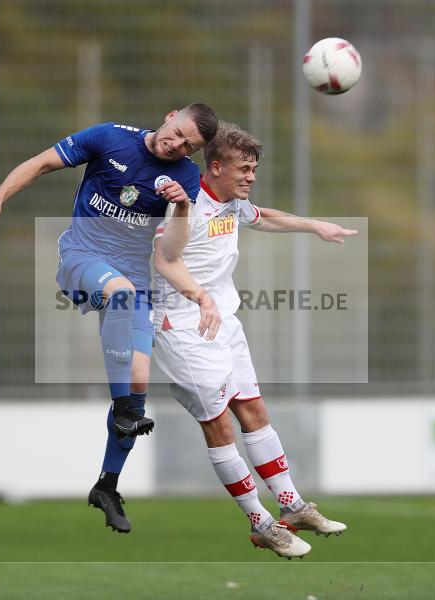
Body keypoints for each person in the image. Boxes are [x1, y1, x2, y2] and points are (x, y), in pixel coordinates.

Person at [0, 104, 219, 533]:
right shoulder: (110, 137)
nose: (177, 145)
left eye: (188, 146)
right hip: (82, 258)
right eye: (178, 132)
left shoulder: (185, 178)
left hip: (135, 279)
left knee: (138, 381)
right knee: (120, 301)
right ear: (170, 115)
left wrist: (181, 207)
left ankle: (107, 485)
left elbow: (171, 252)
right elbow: (41, 163)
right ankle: (122, 409)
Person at [152, 122, 356, 558]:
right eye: (243, 169)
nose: (251, 177)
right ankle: (261, 524)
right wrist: (200, 297)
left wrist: (315, 226)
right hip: (183, 326)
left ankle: (292, 505)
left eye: (254, 169)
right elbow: (164, 259)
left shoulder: (231, 203)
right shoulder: (185, 204)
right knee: (220, 425)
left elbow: (264, 217)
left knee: (254, 410)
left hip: (224, 321)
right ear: (216, 167)